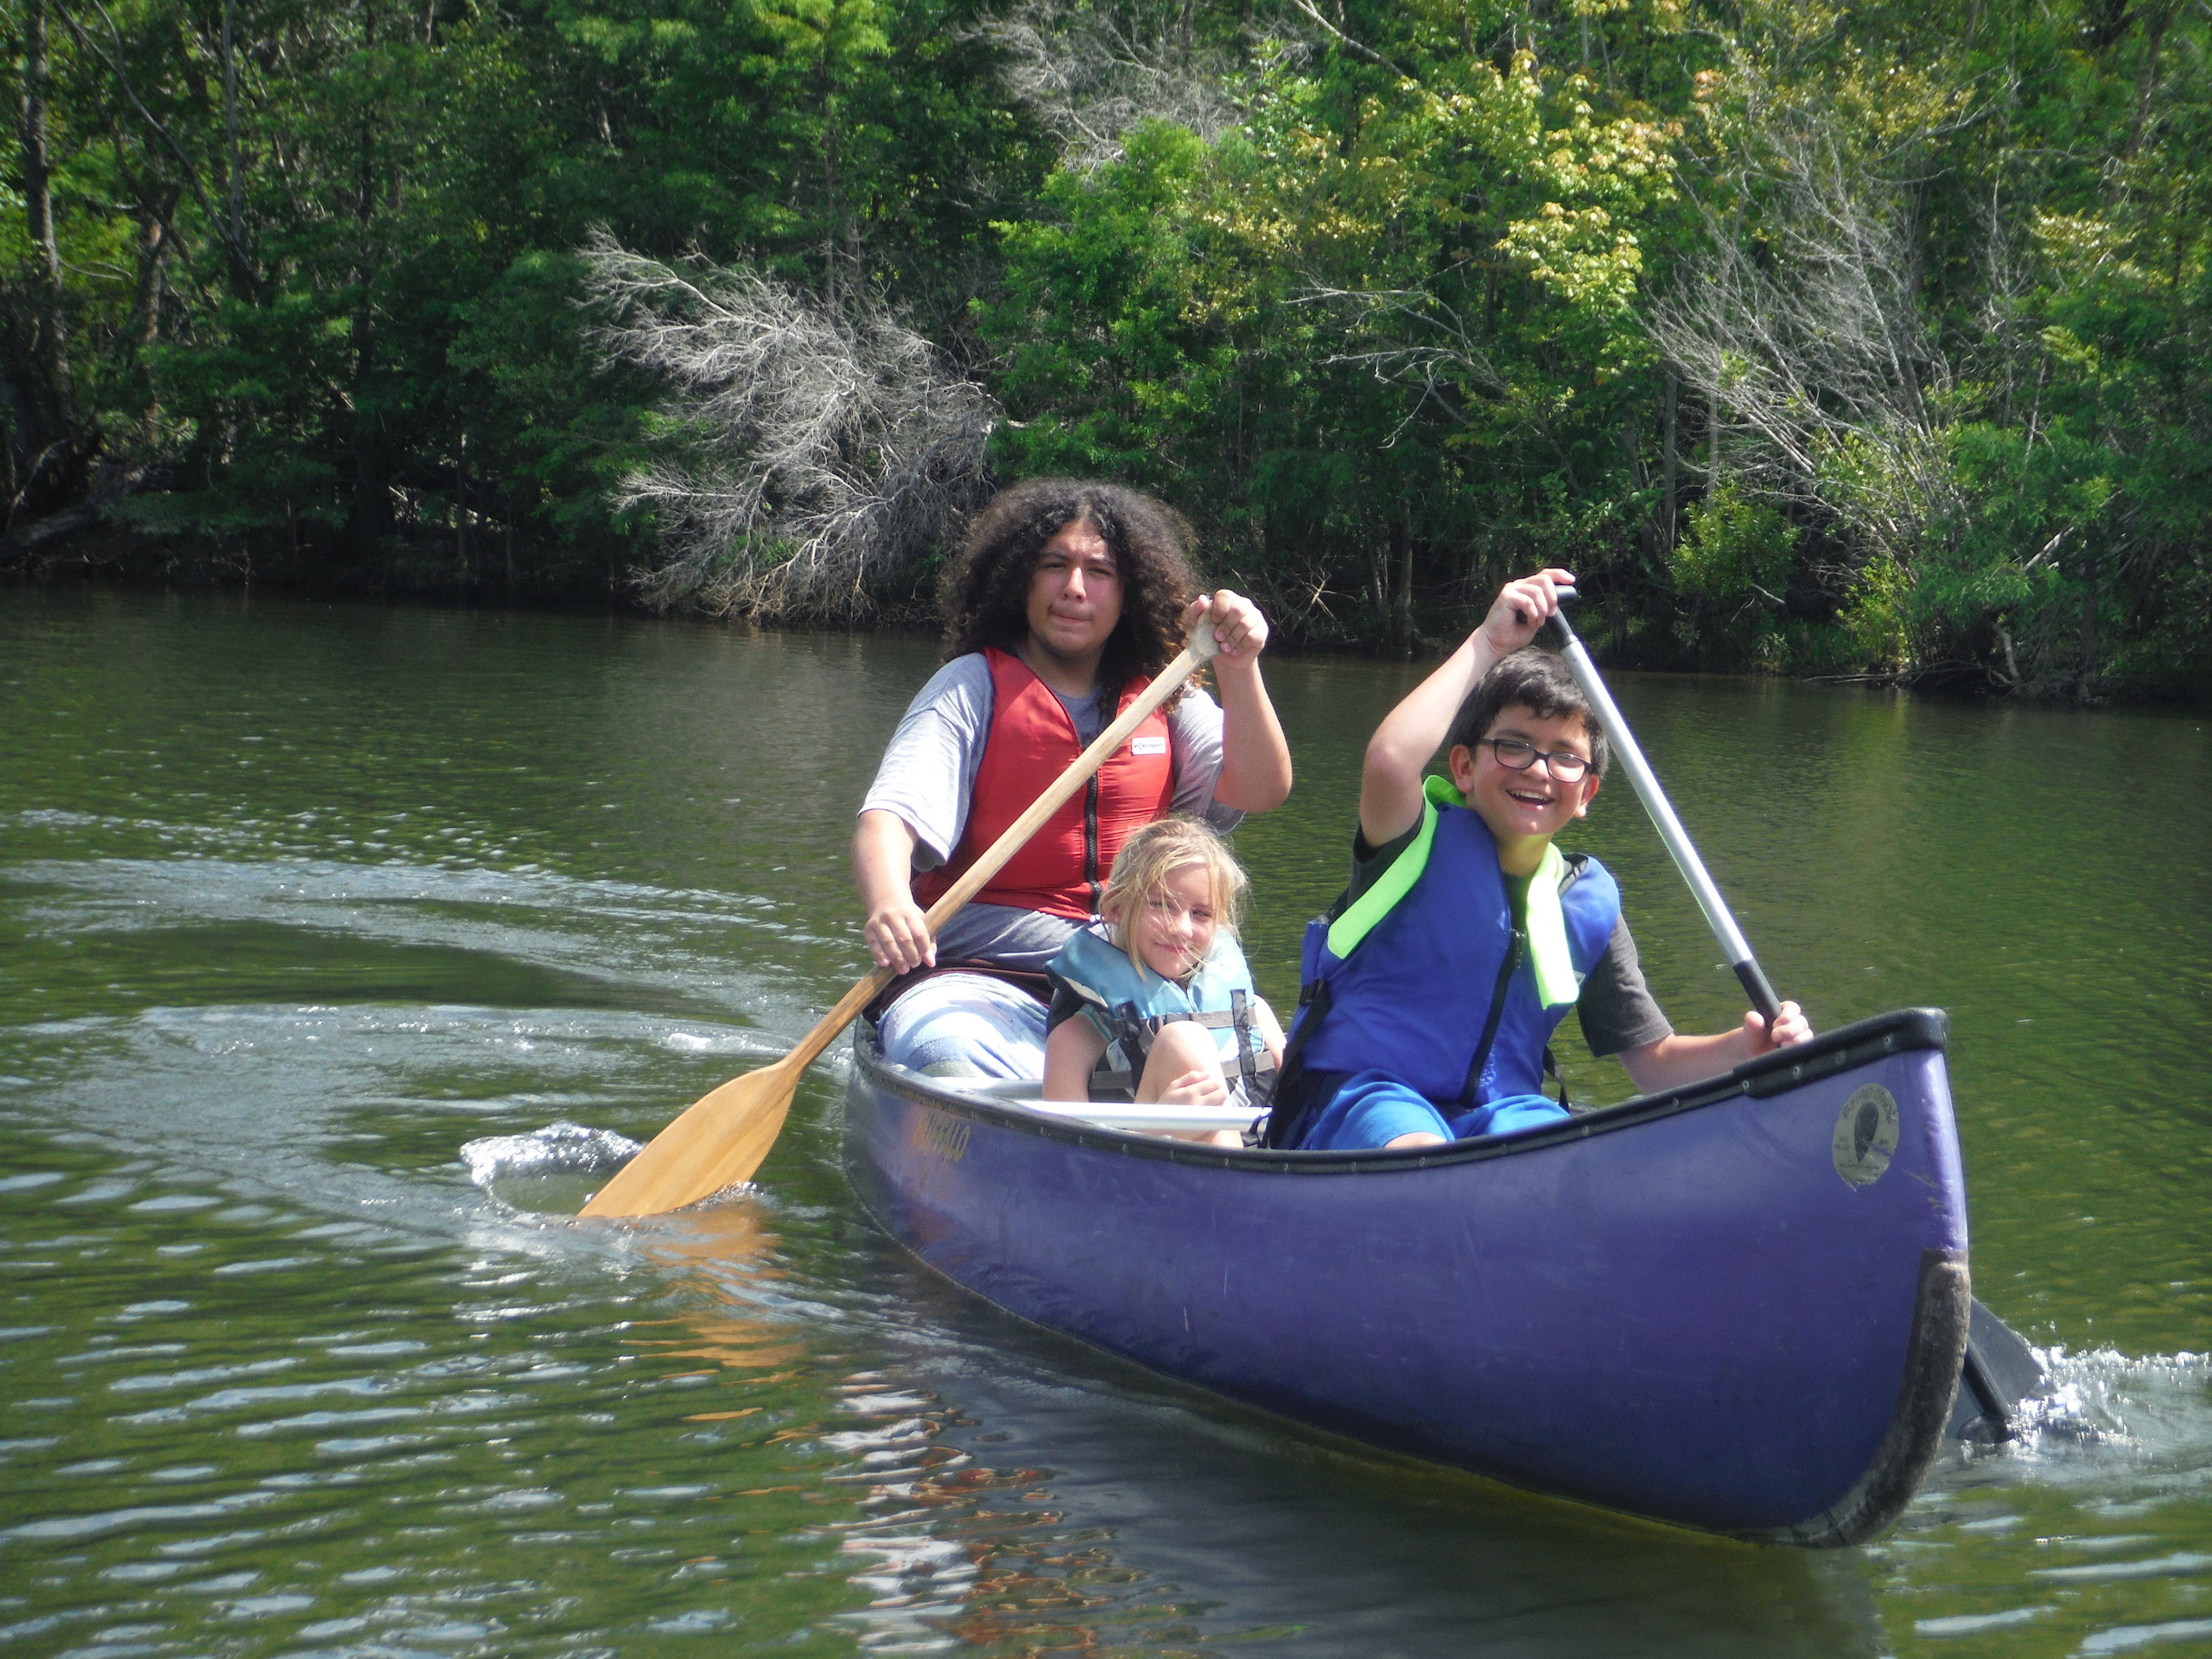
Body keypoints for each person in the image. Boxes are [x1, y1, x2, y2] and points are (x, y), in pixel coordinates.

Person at [1264, 568, 1812, 1152]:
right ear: (1464, 768)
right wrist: (1489, 643)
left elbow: (1653, 1060)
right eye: (1513, 745)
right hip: (1364, 1098)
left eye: (1564, 757)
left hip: (1499, 1112)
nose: (1538, 769)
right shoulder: (1409, 839)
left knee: (1558, 1146)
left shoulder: (1585, 901)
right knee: (1420, 1147)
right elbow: (1391, 760)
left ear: (1587, 794)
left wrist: (1745, 1051)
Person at [855, 479, 1293, 1079]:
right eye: (1054, 566)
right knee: (944, 1057)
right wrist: (889, 902)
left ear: (1128, 592)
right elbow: (889, 818)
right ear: (1021, 582)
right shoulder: (971, 687)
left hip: (1136, 973)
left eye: (1100, 572)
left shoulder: (1165, 697)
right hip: (989, 978)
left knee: (1258, 1060)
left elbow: (1261, 788)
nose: (1075, 589)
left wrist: (1239, 669)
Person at [1041, 816, 1285, 1114]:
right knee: (1182, 1038)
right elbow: (1065, 1156)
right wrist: (1160, 1123)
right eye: (1161, 904)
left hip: (1251, 1157)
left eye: (1201, 913)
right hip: (1140, 1157)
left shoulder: (1253, 1013)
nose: (1181, 928)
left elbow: (1300, 1116)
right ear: (1116, 908)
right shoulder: (1074, 1040)